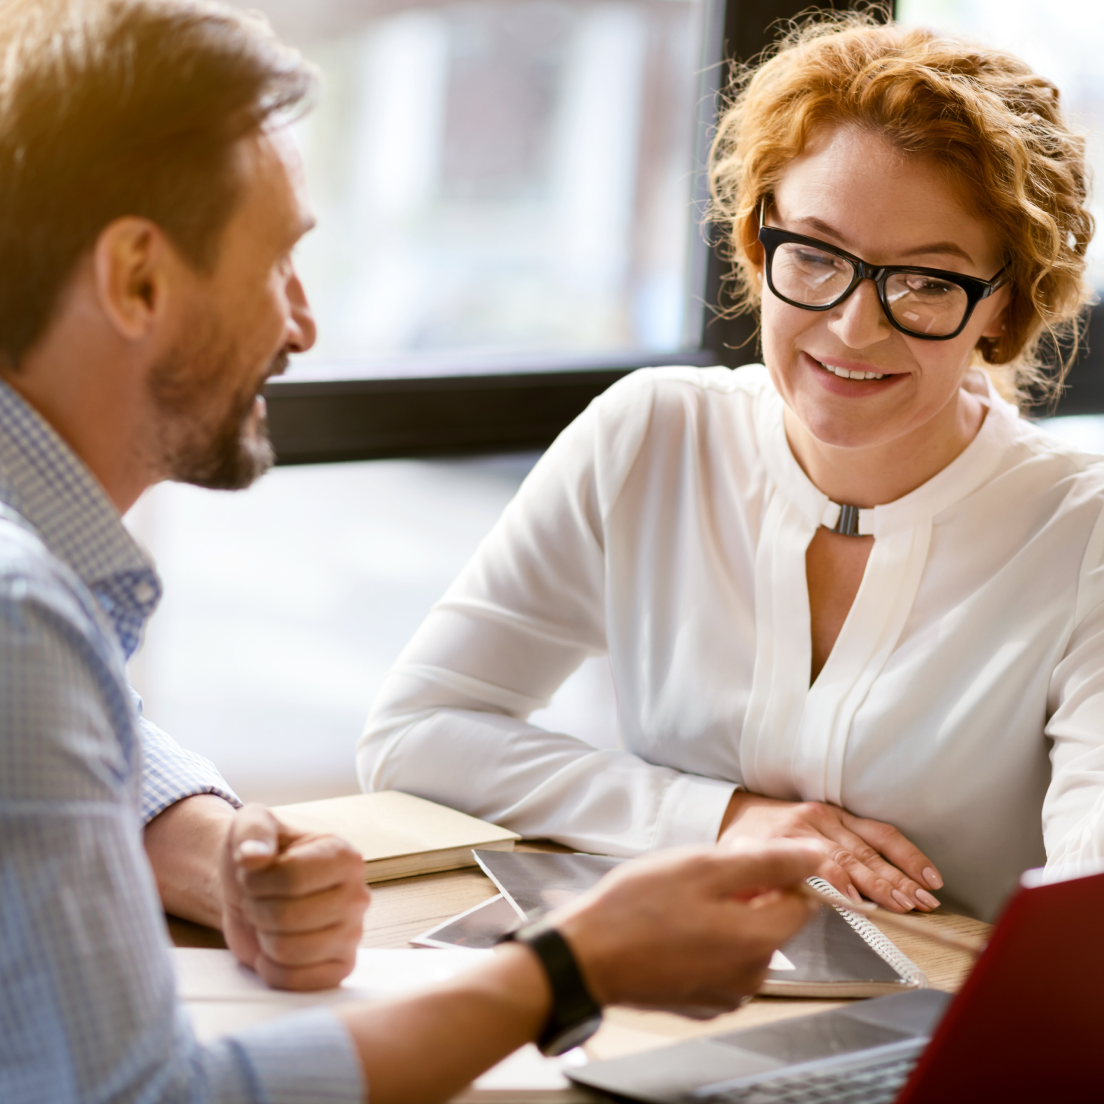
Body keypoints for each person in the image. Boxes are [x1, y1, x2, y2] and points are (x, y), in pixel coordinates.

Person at [0, 1, 821, 1101]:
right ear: (139, 278)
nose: (303, 323)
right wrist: (568, 968)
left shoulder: (37, 613)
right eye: (279, 260)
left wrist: (212, 848)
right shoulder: (23, 617)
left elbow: (65, 728)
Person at [359, 12, 1100, 923]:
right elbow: (416, 733)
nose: (853, 328)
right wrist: (724, 820)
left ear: (1001, 308)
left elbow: (1085, 899)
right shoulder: (652, 435)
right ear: (759, 244)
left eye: (924, 281)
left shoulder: (1083, 533)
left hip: (935, 1038)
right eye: (819, 255)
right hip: (663, 994)